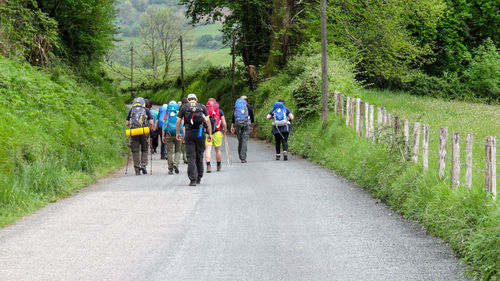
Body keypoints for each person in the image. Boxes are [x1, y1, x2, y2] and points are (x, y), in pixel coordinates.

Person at [176, 93, 212, 186]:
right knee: (199, 155)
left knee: (191, 156)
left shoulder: (184, 107)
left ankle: (193, 180)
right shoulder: (202, 107)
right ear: (196, 99)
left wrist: (177, 133)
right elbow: (207, 121)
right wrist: (210, 134)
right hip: (200, 133)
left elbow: (178, 121)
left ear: (188, 100)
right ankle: (199, 177)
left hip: (189, 133)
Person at [126, 97, 153, 175]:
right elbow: (151, 122)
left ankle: (137, 169)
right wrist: (151, 128)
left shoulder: (132, 110)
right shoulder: (146, 110)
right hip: (144, 131)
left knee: (135, 151)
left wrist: (132, 126)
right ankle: (143, 165)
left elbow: (127, 123)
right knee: (144, 149)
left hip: (134, 131)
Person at [205, 98, 227, 172]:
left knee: (208, 150)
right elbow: (223, 122)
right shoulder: (219, 111)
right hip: (217, 132)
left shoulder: (205, 111)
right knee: (218, 150)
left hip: (208, 133)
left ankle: (208, 165)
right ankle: (218, 165)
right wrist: (224, 129)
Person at [231, 95, 254, 163]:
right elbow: (252, 117)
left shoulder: (237, 106)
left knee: (240, 140)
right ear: (247, 100)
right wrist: (252, 126)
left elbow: (234, 116)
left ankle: (240, 155)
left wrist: (232, 125)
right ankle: (243, 157)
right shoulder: (249, 106)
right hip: (246, 124)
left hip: (237, 124)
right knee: (244, 140)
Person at [162, 101, 181, 175]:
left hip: (168, 134)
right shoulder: (179, 114)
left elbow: (164, 126)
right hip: (177, 134)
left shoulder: (167, 115)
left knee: (169, 152)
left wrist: (163, 136)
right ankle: (176, 164)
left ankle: (170, 169)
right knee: (178, 151)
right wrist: (182, 134)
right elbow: (182, 124)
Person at [180, 98, 188, 164]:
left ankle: (184, 157)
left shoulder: (180, 108)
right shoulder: (188, 108)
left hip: (181, 129)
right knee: (186, 145)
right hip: (187, 129)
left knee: (183, 145)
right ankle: (186, 158)